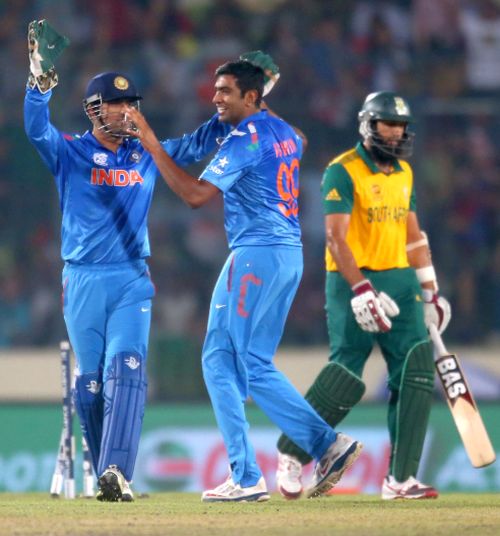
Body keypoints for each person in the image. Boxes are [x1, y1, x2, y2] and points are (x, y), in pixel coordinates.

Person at [123, 59, 363, 502]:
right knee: (252, 363)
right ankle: (328, 446)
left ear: (251, 97)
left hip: (254, 254)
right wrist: (145, 145)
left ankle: (247, 474)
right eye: (215, 89)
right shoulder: (281, 131)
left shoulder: (246, 139)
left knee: (217, 358)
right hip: (287, 257)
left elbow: (196, 196)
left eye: (226, 91)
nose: (215, 98)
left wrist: (152, 147)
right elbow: (301, 140)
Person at [24, 20, 230, 502]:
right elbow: (36, 129)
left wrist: (238, 104)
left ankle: (117, 469)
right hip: (82, 282)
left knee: (129, 368)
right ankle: (106, 476)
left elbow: (198, 143)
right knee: (91, 386)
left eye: (131, 102)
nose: (126, 110)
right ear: (95, 110)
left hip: (131, 278)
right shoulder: (72, 153)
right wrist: (38, 83)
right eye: (116, 103)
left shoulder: (144, 153)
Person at [275, 91, 452, 500]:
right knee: (346, 375)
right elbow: (336, 241)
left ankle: (401, 479)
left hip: (400, 280)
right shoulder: (343, 170)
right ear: (368, 126)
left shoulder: (404, 172)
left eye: (401, 125)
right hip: (351, 278)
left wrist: (431, 291)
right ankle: (290, 454)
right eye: (387, 124)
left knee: (416, 373)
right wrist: (360, 290)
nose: (396, 132)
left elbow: (414, 237)